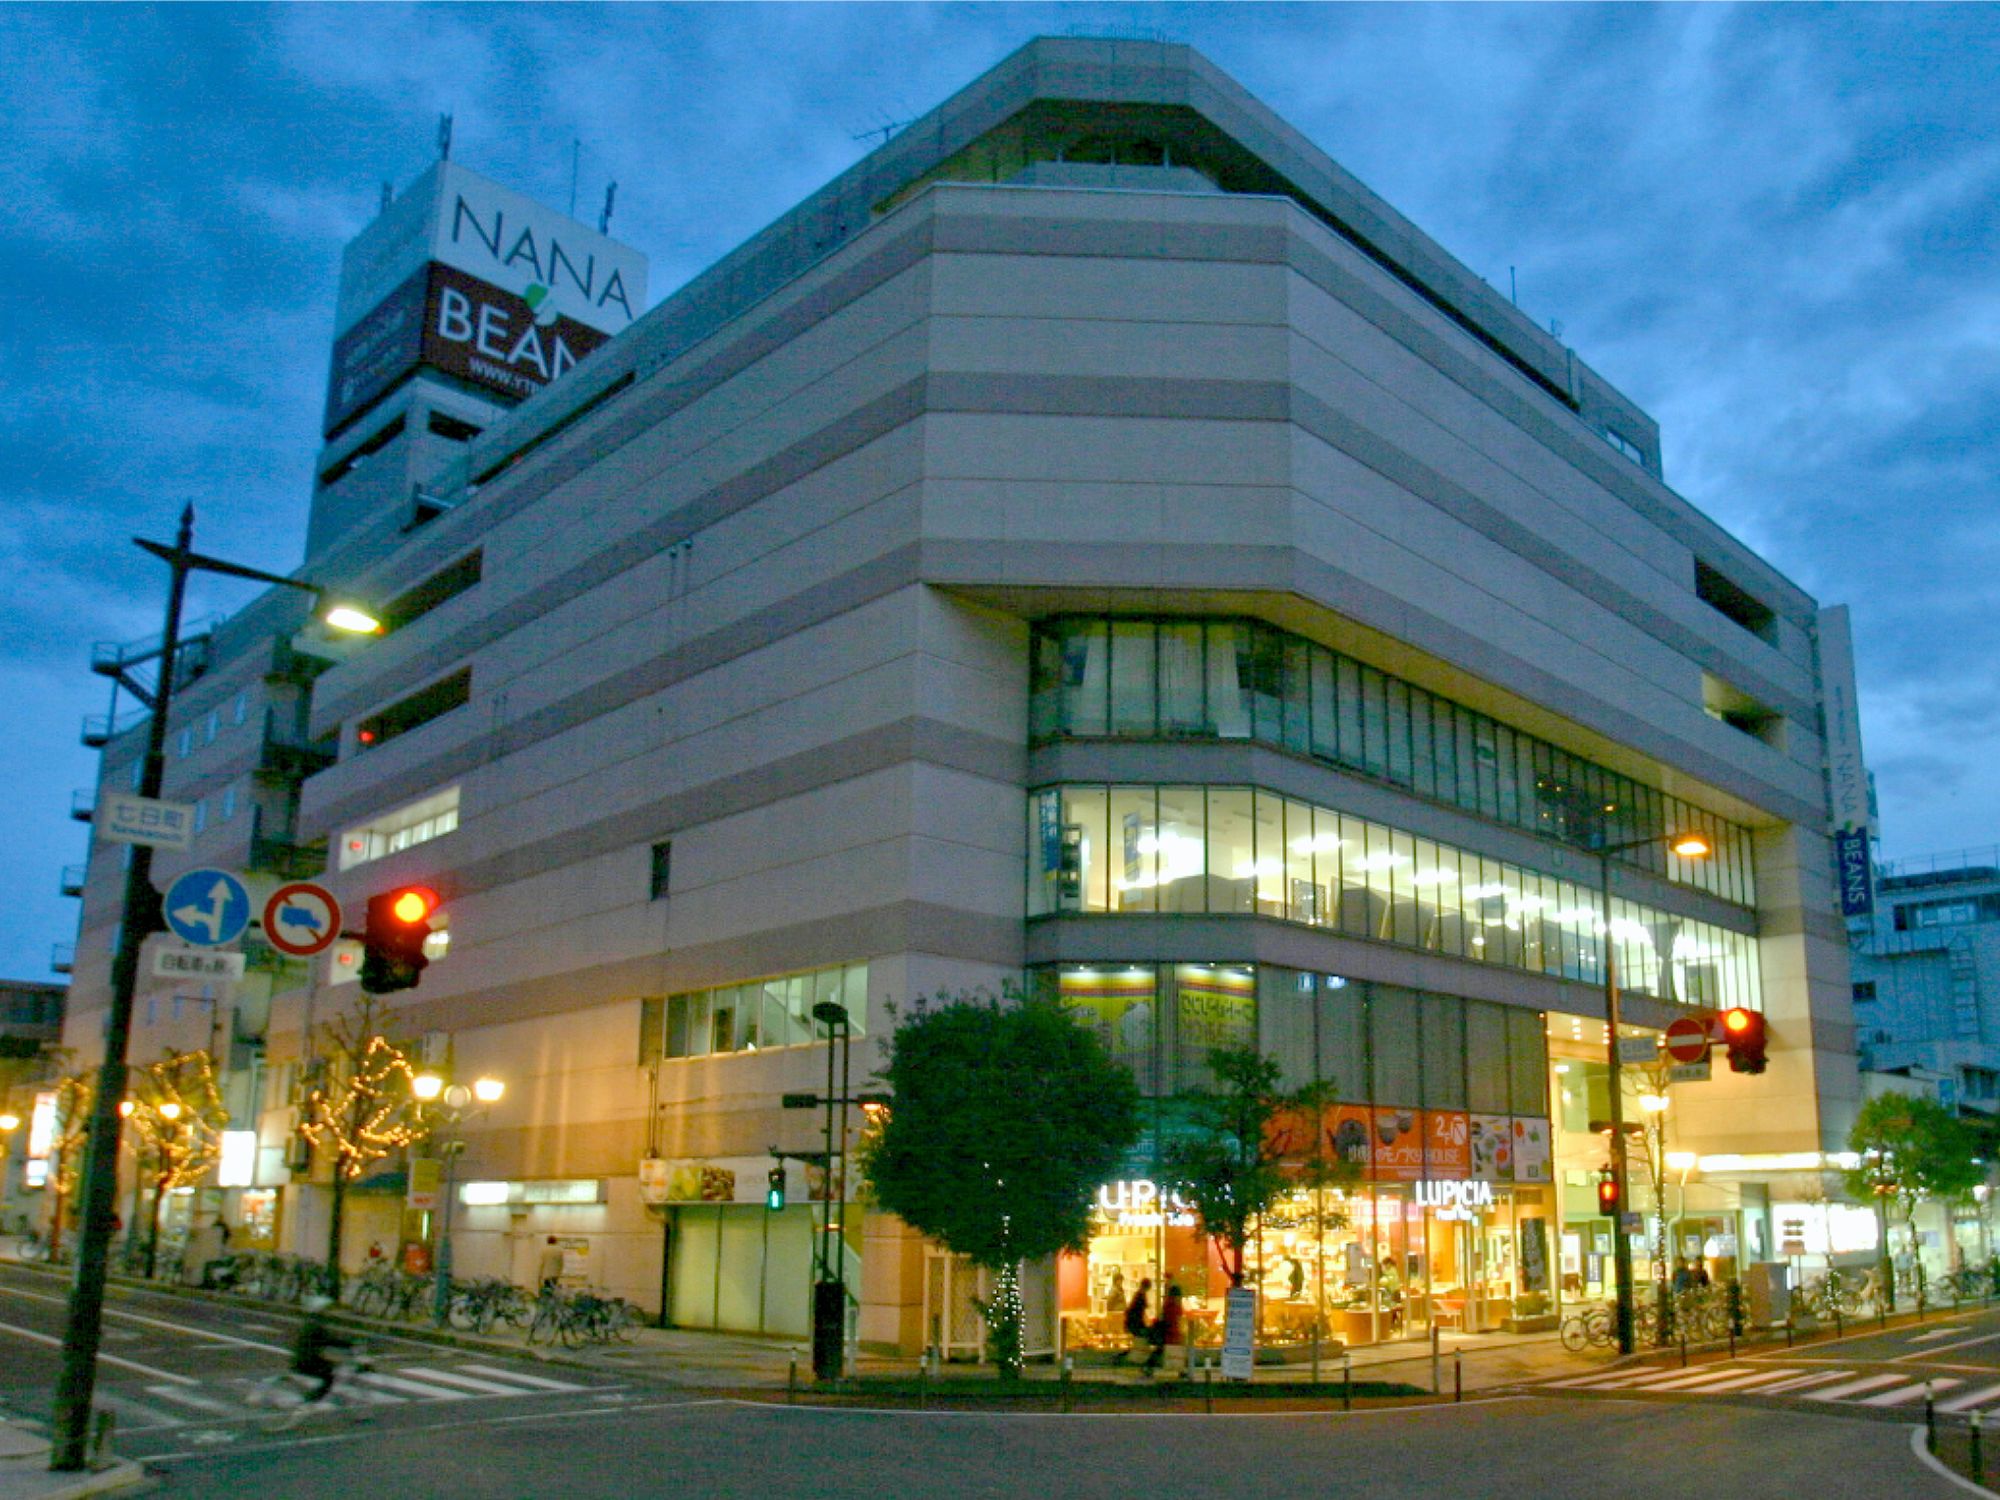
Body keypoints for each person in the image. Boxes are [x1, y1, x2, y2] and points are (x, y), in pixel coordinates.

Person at [286, 1295, 358, 1424]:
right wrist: (349, 1344)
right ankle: (306, 1404)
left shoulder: (310, 1321)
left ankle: (313, 1400)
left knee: (330, 1368)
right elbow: (328, 1340)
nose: (328, 1311)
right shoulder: (317, 1324)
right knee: (328, 1378)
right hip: (308, 1361)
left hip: (302, 1359)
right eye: (325, 1309)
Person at [1141, 1282, 1183, 1378]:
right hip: (1170, 1332)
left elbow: (1163, 1317)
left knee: (1160, 1350)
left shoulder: (1168, 1303)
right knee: (1173, 1351)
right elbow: (1175, 1320)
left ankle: (1148, 1366)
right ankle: (1180, 1370)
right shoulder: (1174, 1305)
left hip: (1165, 1332)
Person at [1114, 1277, 1151, 1363]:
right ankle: (1130, 1358)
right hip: (1136, 1324)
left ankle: (1129, 1358)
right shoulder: (1141, 1296)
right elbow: (1140, 1312)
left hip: (1133, 1323)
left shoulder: (1138, 1295)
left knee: (1137, 1342)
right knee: (1139, 1342)